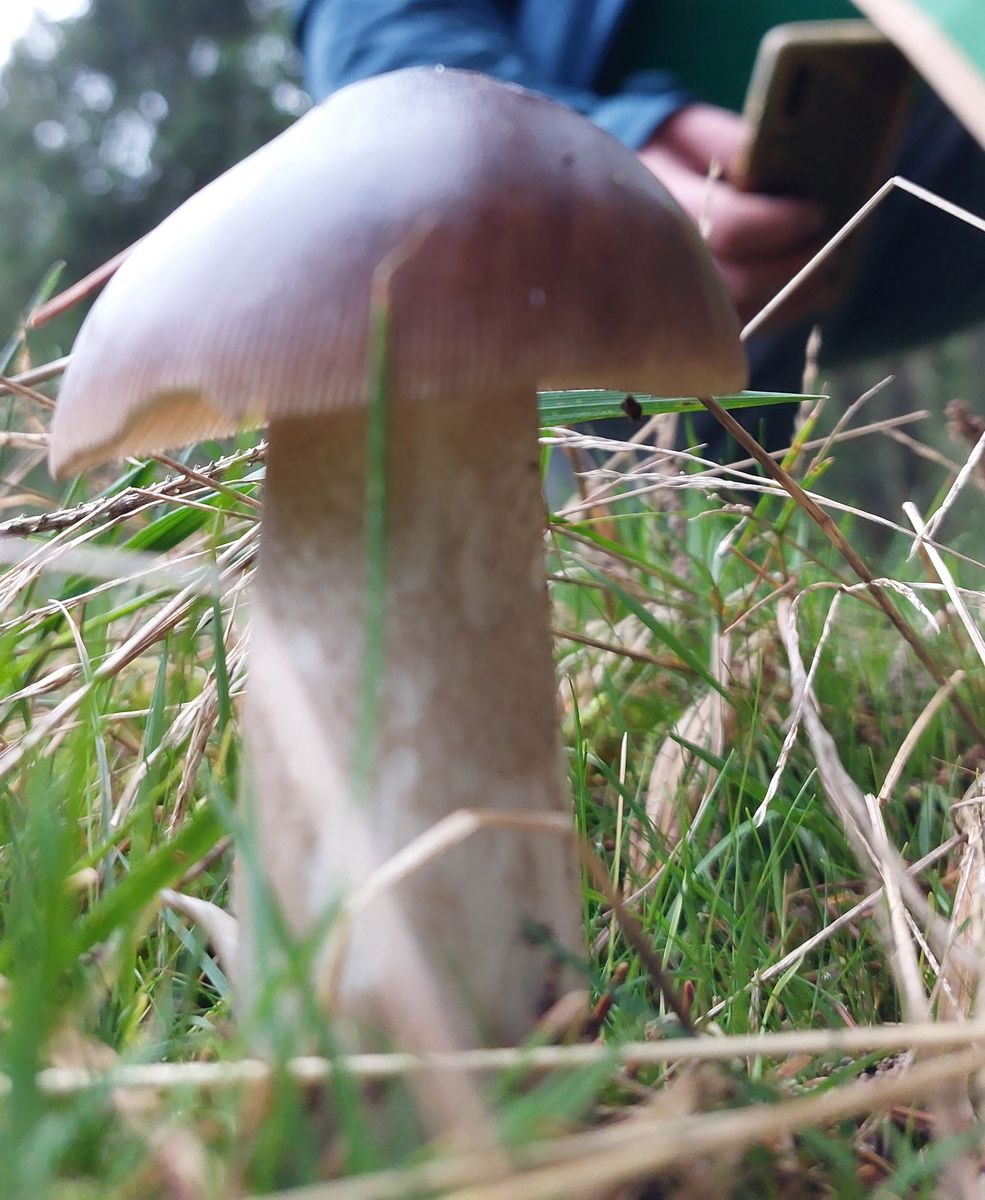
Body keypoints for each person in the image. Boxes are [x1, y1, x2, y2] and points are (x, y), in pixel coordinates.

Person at [290, 0, 985, 450]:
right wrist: (569, 146)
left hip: (936, 122)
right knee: (679, 532)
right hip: (626, 227)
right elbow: (372, 23)